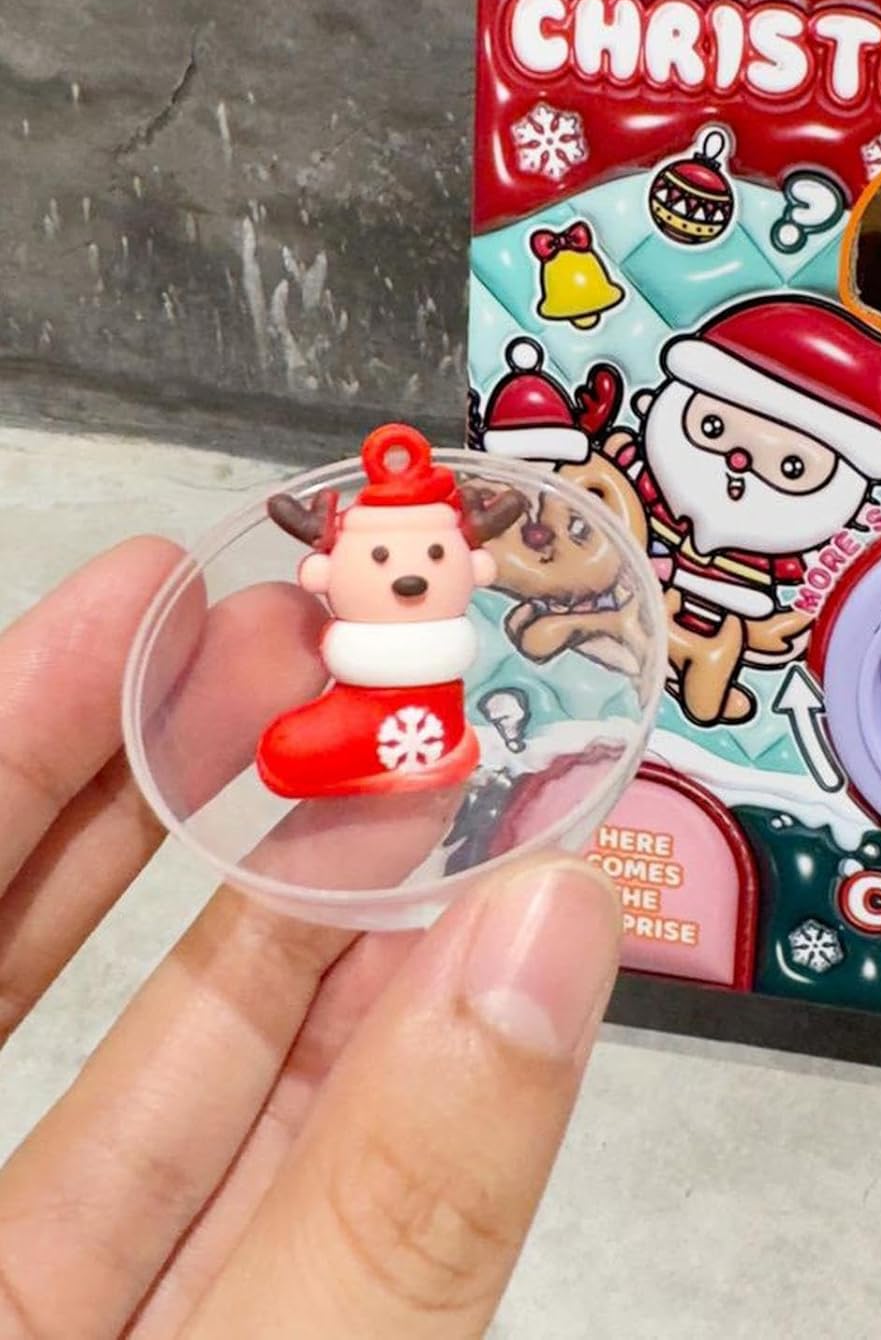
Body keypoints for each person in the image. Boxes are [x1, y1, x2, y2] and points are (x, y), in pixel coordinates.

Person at [0, 536, 622, 1338]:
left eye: (433, 557)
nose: (407, 577)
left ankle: (400, 737)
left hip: (421, 724)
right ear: (324, 569)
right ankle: (380, 736)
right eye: (378, 560)